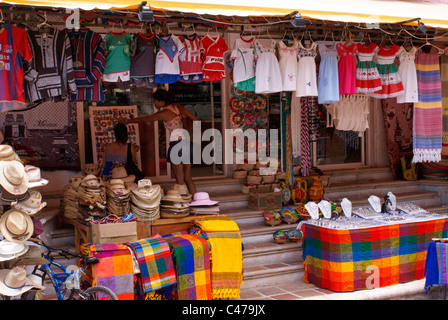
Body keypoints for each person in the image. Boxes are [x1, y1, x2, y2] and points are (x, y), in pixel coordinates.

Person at [122, 88, 198, 195]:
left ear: (161, 101)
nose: (154, 103)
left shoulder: (164, 113)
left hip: (176, 145)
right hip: (186, 143)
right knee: (188, 177)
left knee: (180, 181)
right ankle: (197, 202)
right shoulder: (178, 107)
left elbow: (143, 120)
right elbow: (196, 121)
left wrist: (126, 121)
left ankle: (182, 206)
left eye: (155, 101)